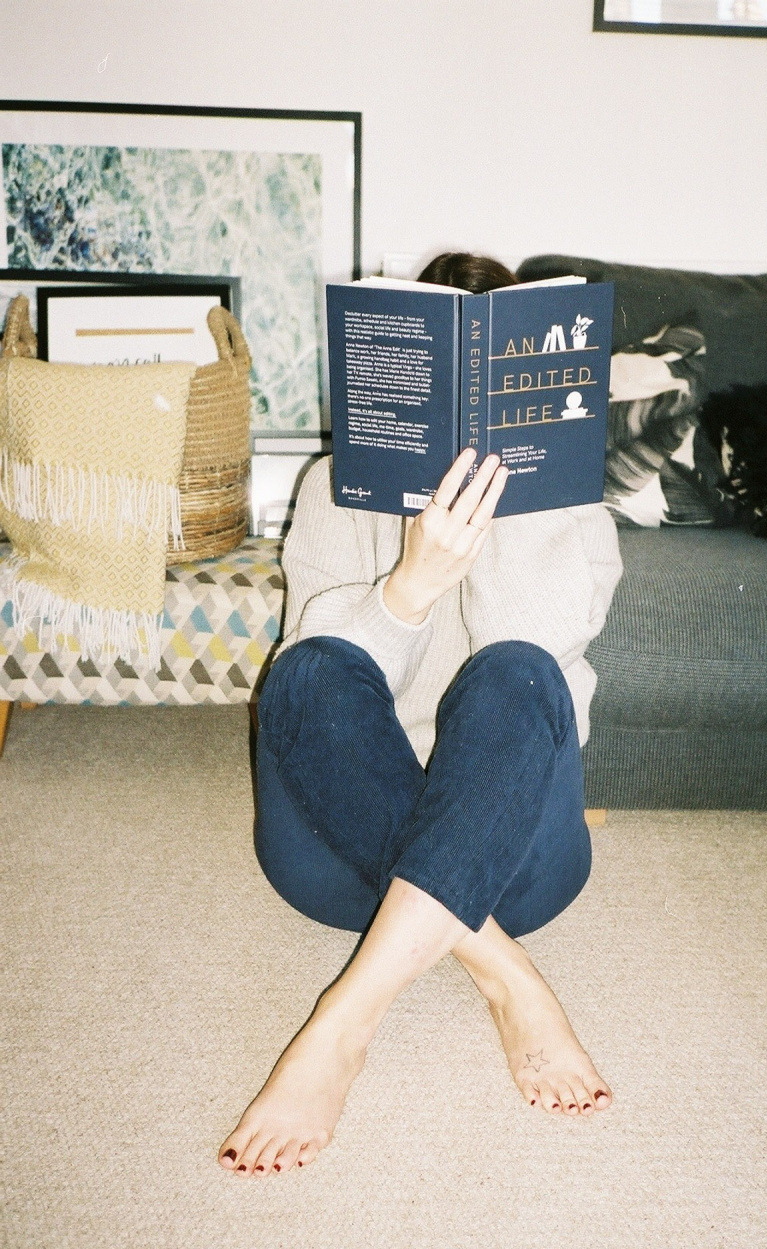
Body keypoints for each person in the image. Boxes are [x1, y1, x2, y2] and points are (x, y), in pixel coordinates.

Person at [219, 253, 623, 1178]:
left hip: (520, 867)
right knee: (304, 674)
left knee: (518, 673)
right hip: (339, 861)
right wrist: (411, 582)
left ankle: (343, 1022)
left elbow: (544, 660)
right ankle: (506, 974)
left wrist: (504, 518)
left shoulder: (572, 497)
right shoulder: (332, 486)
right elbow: (319, 670)